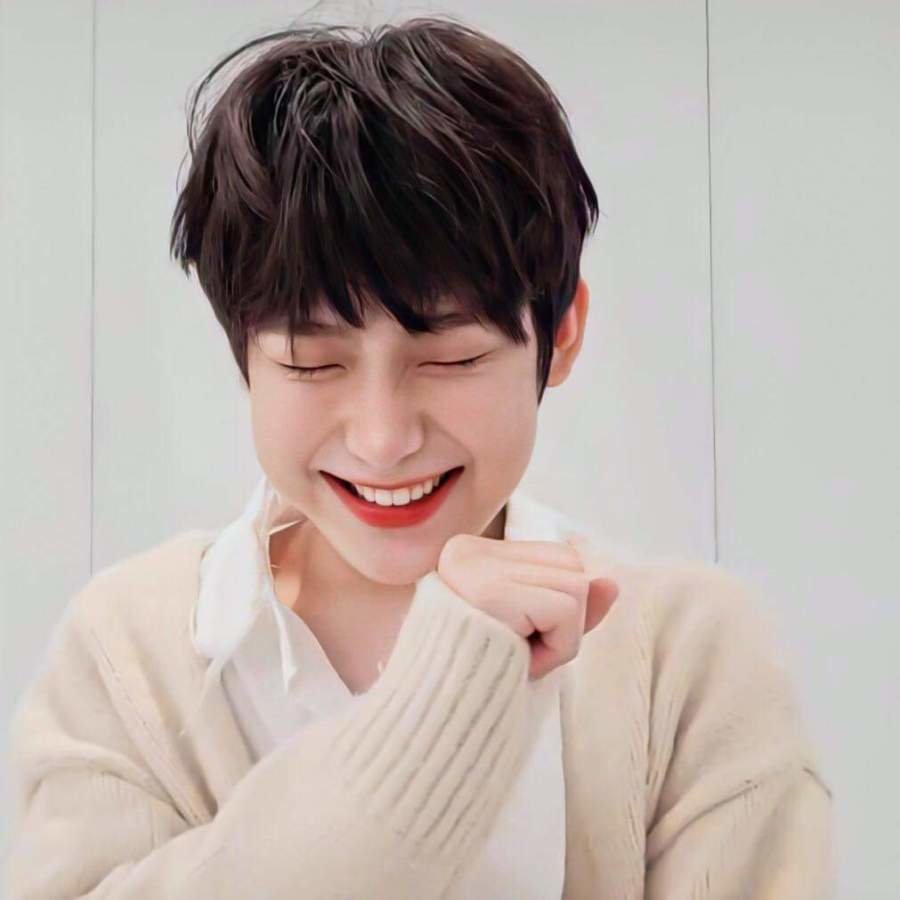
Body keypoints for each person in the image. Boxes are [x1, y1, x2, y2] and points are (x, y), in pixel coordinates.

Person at [5, 16, 834, 899]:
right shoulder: (131, 653)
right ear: (242, 353)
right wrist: (442, 699)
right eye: (311, 363)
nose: (382, 438)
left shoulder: (688, 656)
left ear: (561, 335)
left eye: (452, 359)